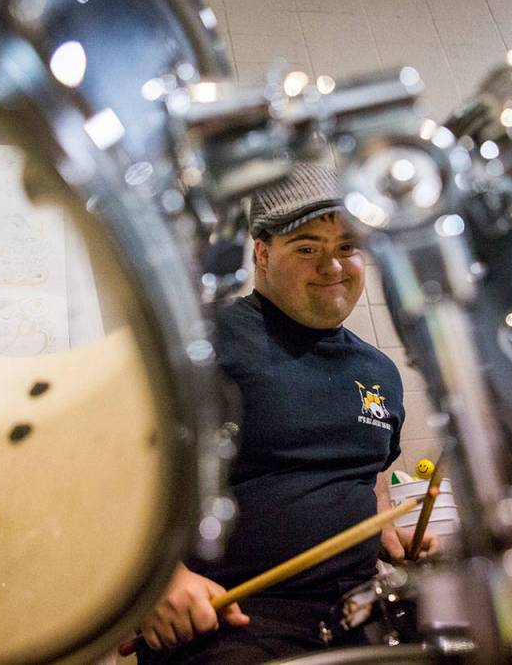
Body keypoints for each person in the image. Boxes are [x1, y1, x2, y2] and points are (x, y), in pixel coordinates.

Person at [137, 162, 438, 664]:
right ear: (262, 252)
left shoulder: (379, 370)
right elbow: (114, 477)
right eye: (307, 248)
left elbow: (373, 484)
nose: (334, 267)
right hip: (237, 620)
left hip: (362, 612)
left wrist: (386, 529)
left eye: (347, 247)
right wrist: (162, 581)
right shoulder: (201, 344)